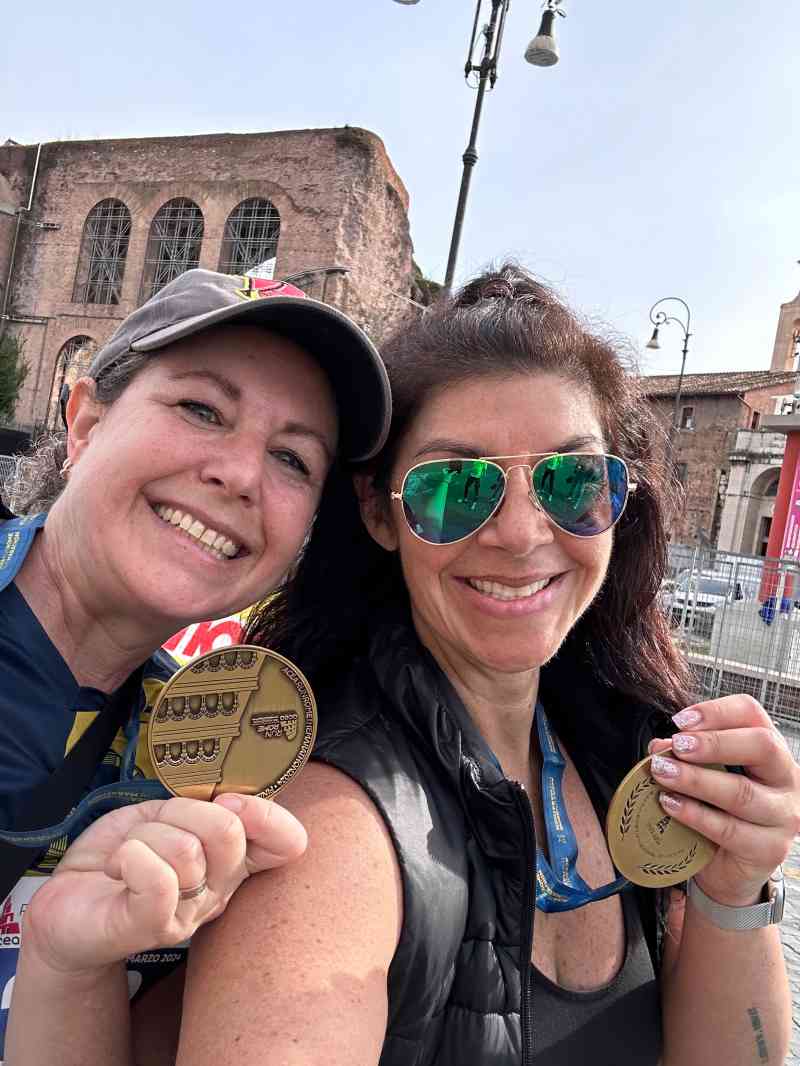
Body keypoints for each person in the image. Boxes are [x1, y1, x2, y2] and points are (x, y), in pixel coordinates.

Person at [179, 265, 799, 1066]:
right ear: (379, 512)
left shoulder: (620, 744)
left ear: (619, 504)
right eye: (455, 487)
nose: (519, 533)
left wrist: (735, 884)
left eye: (572, 480)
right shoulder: (325, 838)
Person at [1, 268, 391, 1065]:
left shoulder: (205, 785)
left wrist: (71, 972)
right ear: (84, 425)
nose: (242, 475)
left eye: (292, 461)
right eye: (202, 409)